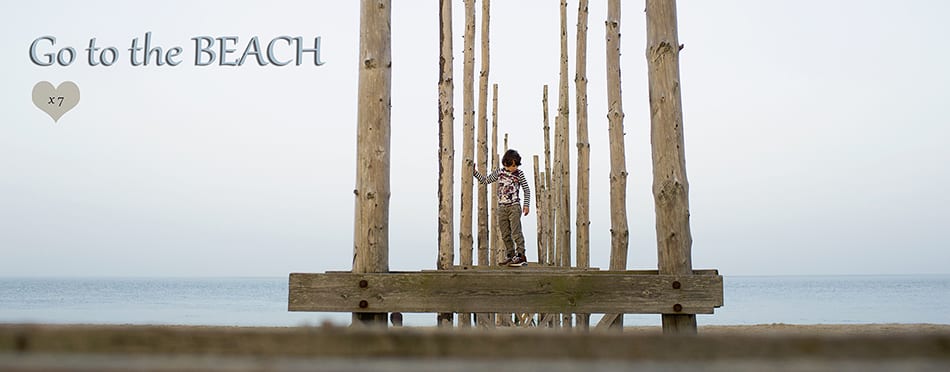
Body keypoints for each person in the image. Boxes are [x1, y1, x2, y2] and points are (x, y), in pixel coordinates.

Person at [470, 149, 531, 267]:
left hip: (514, 206)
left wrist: (526, 205)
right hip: (502, 207)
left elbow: (526, 190)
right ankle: (511, 255)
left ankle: (521, 255)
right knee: (505, 233)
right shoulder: (499, 173)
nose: (515, 168)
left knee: (516, 231)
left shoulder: (520, 174)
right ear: (505, 164)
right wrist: (475, 172)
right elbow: (485, 180)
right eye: (513, 165)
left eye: (516, 165)